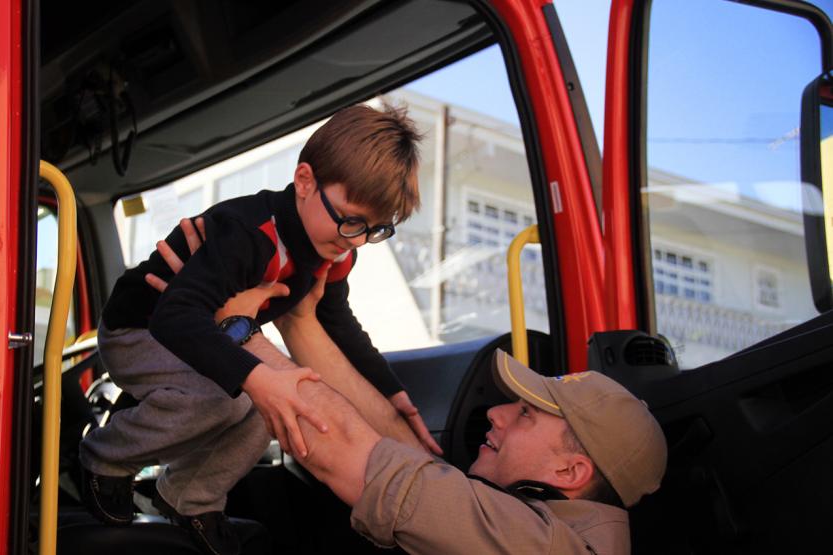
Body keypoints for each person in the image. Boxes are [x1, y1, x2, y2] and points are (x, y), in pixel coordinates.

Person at [154, 221, 668, 554]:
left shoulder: (536, 547)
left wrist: (230, 325)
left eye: (527, 415)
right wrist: (300, 323)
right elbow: (408, 466)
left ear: (570, 470)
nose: (497, 414)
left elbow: (345, 452)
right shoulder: (552, 526)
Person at [78, 104, 439, 555]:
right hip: (141, 329)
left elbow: (337, 320)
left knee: (264, 413)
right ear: (305, 182)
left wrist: (391, 391)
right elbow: (176, 316)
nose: (357, 239)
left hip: (200, 333)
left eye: (376, 229)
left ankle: (191, 498)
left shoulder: (336, 249)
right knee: (225, 402)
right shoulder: (250, 233)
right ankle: (103, 458)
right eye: (349, 219)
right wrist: (258, 376)